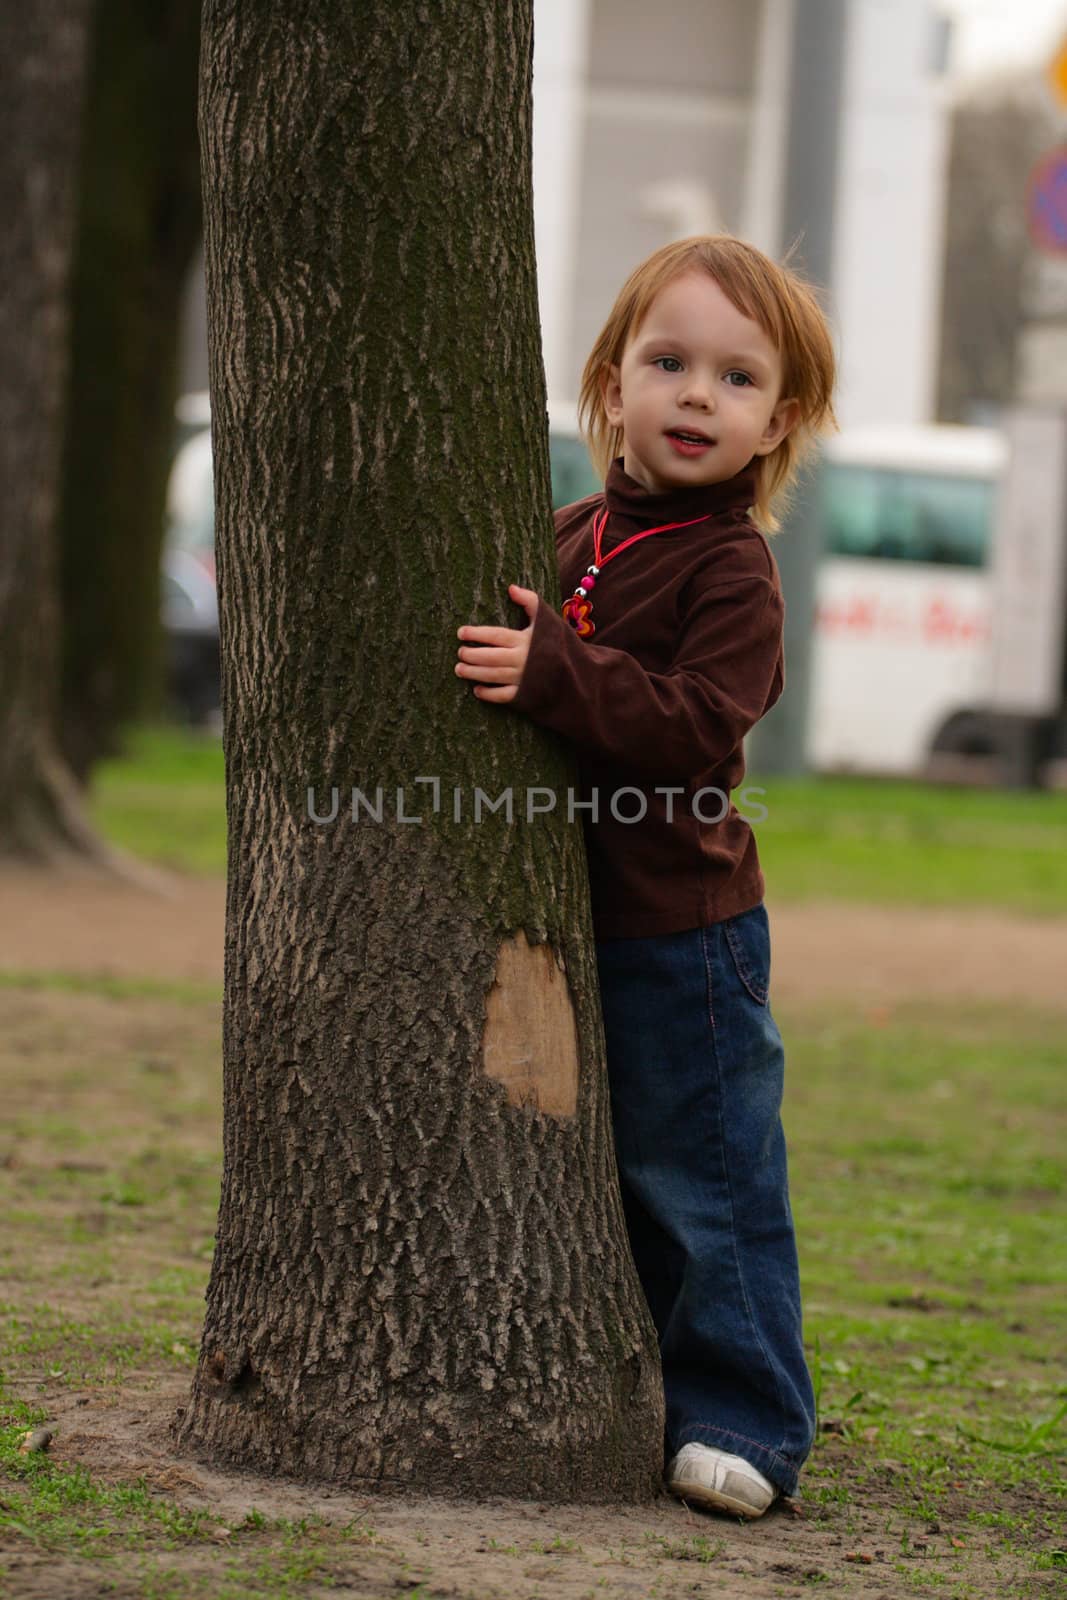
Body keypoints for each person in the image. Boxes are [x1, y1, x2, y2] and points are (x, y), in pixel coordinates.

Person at [453, 233, 838, 1518]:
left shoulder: (734, 570)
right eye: (666, 362)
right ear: (608, 382)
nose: (693, 395)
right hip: (579, 923)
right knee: (606, 1175)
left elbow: (692, 722)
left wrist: (554, 673)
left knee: (707, 1174)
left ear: (777, 419)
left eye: (734, 380)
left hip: (686, 932)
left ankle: (749, 1417)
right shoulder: (569, 530)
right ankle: (650, 1381)